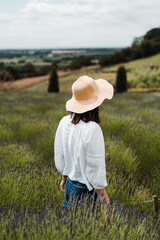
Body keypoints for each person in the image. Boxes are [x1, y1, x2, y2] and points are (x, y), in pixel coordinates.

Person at [54, 75, 114, 222]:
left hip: (69, 184)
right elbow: (95, 169)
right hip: (84, 190)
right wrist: (106, 202)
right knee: (83, 230)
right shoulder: (92, 129)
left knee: (68, 228)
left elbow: (62, 156)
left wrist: (64, 179)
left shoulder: (64, 122)